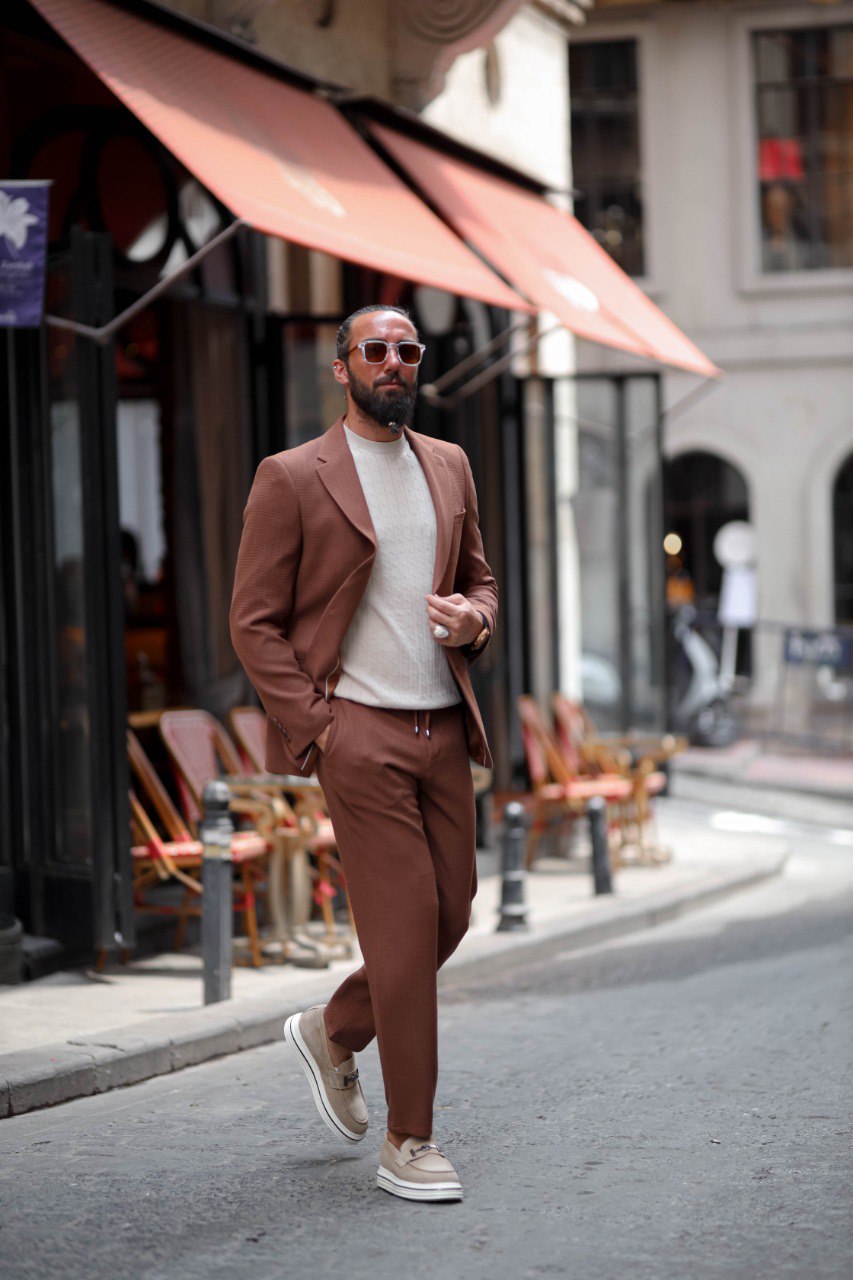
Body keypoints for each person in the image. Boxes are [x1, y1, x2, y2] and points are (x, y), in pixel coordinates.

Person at [230, 304, 498, 1203]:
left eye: (406, 350)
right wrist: (318, 725)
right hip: (362, 733)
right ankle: (409, 1142)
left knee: (451, 913)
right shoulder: (291, 476)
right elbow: (253, 622)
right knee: (402, 923)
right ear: (341, 369)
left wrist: (475, 618)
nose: (393, 362)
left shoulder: (449, 465)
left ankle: (334, 1030)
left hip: (443, 729)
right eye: (375, 350)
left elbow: (480, 580)